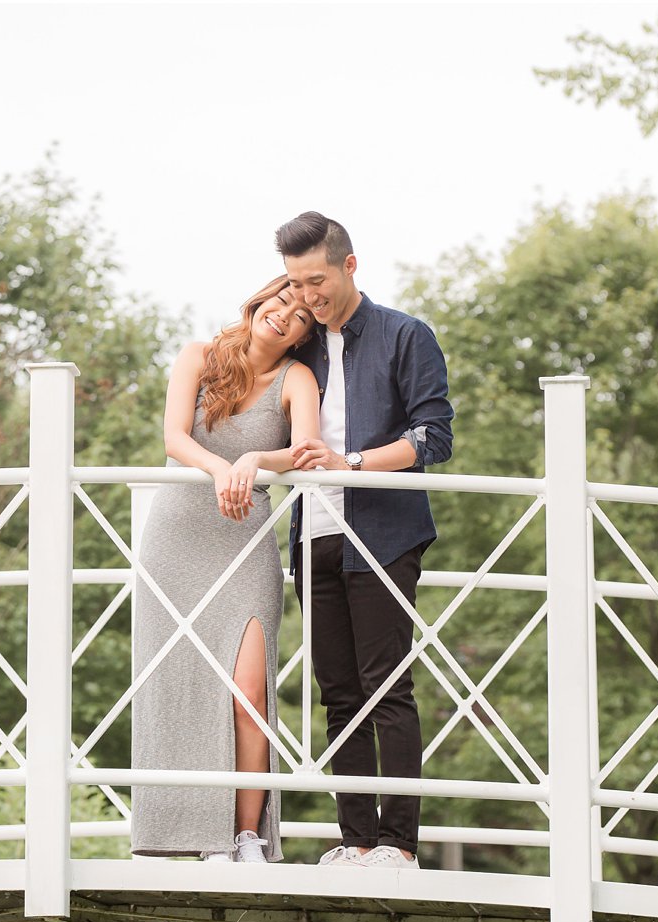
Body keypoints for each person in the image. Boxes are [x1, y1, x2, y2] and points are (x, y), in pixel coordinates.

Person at [276, 211, 455, 870]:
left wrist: (349, 463)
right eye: (295, 283)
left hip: (383, 532)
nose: (307, 295)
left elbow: (434, 437)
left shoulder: (407, 335)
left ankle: (400, 846)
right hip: (310, 534)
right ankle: (354, 840)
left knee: (387, 690)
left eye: (316, 280)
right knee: (338, 693)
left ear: (350, 266)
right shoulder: (299, 346)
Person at [130, 276, 321, 863]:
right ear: (259, 301)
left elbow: (307, 451)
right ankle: (179, 834)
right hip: (177, 533)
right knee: (176, 685)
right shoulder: (199, 357)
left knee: (247, 692)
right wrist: (221, 469)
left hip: (243, 542)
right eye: (280, 302)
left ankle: (245, 837)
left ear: (304, 337)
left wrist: (256, 458)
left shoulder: (298, 379)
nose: (285, 316)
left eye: (301, 317)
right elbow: (173, 437)